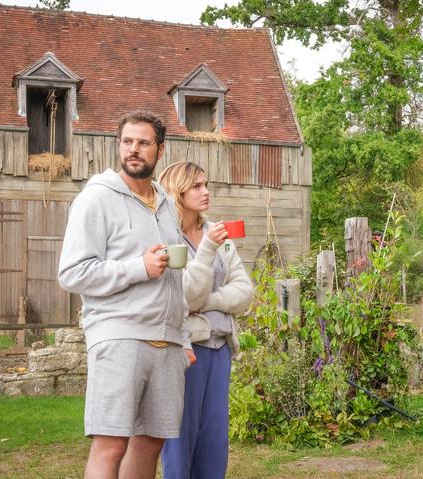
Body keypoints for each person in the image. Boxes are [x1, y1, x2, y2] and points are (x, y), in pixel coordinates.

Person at [58, 110, 192, 479]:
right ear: (119, 146)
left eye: (143, 142)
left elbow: (174, 281)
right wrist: (138, 268)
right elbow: (72, 272)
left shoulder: (165, 204)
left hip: (166, 341)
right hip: (119, 336)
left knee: (151, 441)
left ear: (159, 150)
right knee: (111, 442)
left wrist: (183, 336)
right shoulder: (96, 200)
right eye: (127, 141)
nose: (134, 150)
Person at [158, 161, 252, 479]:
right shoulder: (167, 238)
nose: (206, 191)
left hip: (220, 348)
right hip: (186, 349)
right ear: (178, 191)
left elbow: (244, 292)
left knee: (214, 441)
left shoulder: (219, 235)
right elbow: (186, 296)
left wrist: (209, 304)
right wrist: (207, 249)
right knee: (181, 440)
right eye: (197, 186)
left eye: (206, 184)